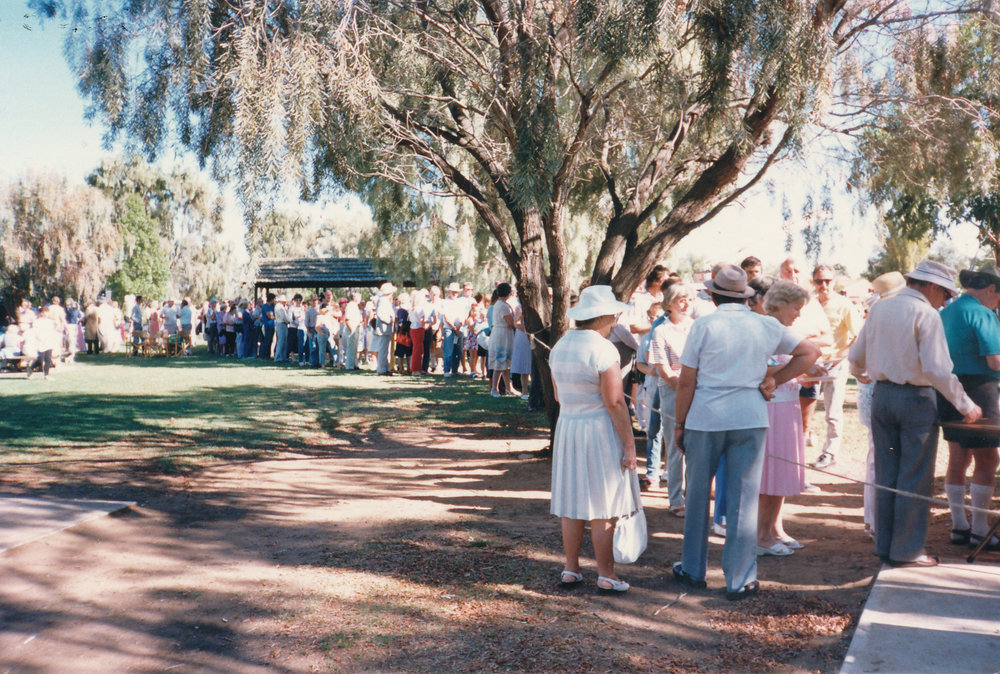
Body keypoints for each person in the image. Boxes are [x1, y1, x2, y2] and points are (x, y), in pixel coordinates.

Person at [672, 265, 820, 600]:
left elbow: (686, 380)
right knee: (744, 498)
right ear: (744, 295)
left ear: (712, 294)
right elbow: (811, 352)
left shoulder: (703, 325)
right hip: (750, 415)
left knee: (697, 496)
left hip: (706, 416)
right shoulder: (765, 324)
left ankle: (693, 569)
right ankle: (740, 578)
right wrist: (776, 380)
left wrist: (680, 422)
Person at [849, 259, 982, 568]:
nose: (946, 300)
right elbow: (936, 369)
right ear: (933, 287)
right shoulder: (926, 313)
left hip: (882, 397)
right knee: (914, 476)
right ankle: (907, 550)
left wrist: (862, 372)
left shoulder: (880, 307)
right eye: (945, 293)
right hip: (916, 401)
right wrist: (966, 405)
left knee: (888, 472)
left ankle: (886, 544)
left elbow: (855, 356)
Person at [549, 285, 637, 593]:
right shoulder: (603, 348)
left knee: (572, 500)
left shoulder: (560, 346)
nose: (615, 320)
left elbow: (559, 395)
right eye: (614, 315)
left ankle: (571, 569)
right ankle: (606, 573)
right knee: (604, 503)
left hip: (569, 426)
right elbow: (614, 401)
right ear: (605, 316)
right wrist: (629, 442)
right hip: (598, 428)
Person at [938, 263, 1000, 552]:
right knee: (988, 459)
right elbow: (995, 360)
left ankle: (959, 526)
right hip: (979, 390)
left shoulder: (946, 311)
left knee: (957, 457)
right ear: (990, 289)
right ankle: (980, 530)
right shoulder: (982, 313)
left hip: (948, 388)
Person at [756, 280, 812, 556]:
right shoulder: (764, 328)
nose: (799, 314)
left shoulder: (786, 331)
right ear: (779, 304)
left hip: (787, 407)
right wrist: (789, 368)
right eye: (796, 307)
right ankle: (760, 535)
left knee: (780, 475)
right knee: (769, 475)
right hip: (771, 409)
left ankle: (774, 529)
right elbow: (761, 366)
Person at [647, 282, 694, 514]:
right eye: (681, 299)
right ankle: (676, 499)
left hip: (698, 391)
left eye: (689, 299)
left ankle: (694, 496)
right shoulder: (661, 331)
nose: (686, 304)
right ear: (670, 304)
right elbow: (663, 370)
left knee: (696, 445)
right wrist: (684, 387)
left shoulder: (697, 327)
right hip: (672, 391)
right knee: (676, 446)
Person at [810, 264, 862, 469]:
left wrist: (841, 355)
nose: (824, 285)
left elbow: (859, 335)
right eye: (819, 281)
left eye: (828, 281)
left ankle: (829, 452)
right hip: (810, 364)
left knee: (832, 412)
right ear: (813, 282)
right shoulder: (809, 304)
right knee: (804, 410)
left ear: (834, 281)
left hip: (834, 366)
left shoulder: (844, 305)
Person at [488, 283, 518, 396]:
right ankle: (494, 389)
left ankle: (508, 388)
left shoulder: (498, 304)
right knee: (500, 362)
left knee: (506, 363)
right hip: (502, 334)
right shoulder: (503, 306)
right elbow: (511, 322)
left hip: (502, 333)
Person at [372, 282, 397, 375]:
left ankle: (384, 368)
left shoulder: (385, 300)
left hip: (386, 328)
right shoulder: (383, 300)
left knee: (385, 349)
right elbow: (380, 314)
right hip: (384, 328)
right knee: (383, 349)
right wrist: (389, 321)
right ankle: (382, 369)